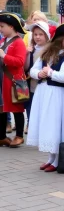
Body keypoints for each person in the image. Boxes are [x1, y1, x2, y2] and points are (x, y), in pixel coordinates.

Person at [27, 23, 64, 172]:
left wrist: (50, 73)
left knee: (54, 126)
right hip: (43, 92)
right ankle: (51, 157)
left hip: (56, 94)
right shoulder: (46, 53)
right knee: (46, 124)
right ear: (60, 39)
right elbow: (32, 70)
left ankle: (57, 160)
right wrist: (39, 74)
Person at [0, 12, 27, 147]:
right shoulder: (3, 41)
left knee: (17, 108)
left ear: (11, 27)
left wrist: (4, 56)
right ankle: (2, 136)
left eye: (2, 26)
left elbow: (20, 62)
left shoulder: (19, 42)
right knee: (4, 107)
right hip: (3, 79)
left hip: (14, 81)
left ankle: (19, 136)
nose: (0, 29)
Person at [24, 21, 51, 134]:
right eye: (35, 34)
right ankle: (32, 125)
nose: (38, 37)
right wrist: (26, 54)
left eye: (41, 34)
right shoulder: (32, 49)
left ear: (46, 35)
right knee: (31, 106)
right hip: (32, 83)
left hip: (45, 84)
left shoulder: (50, 50)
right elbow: (26, 67)